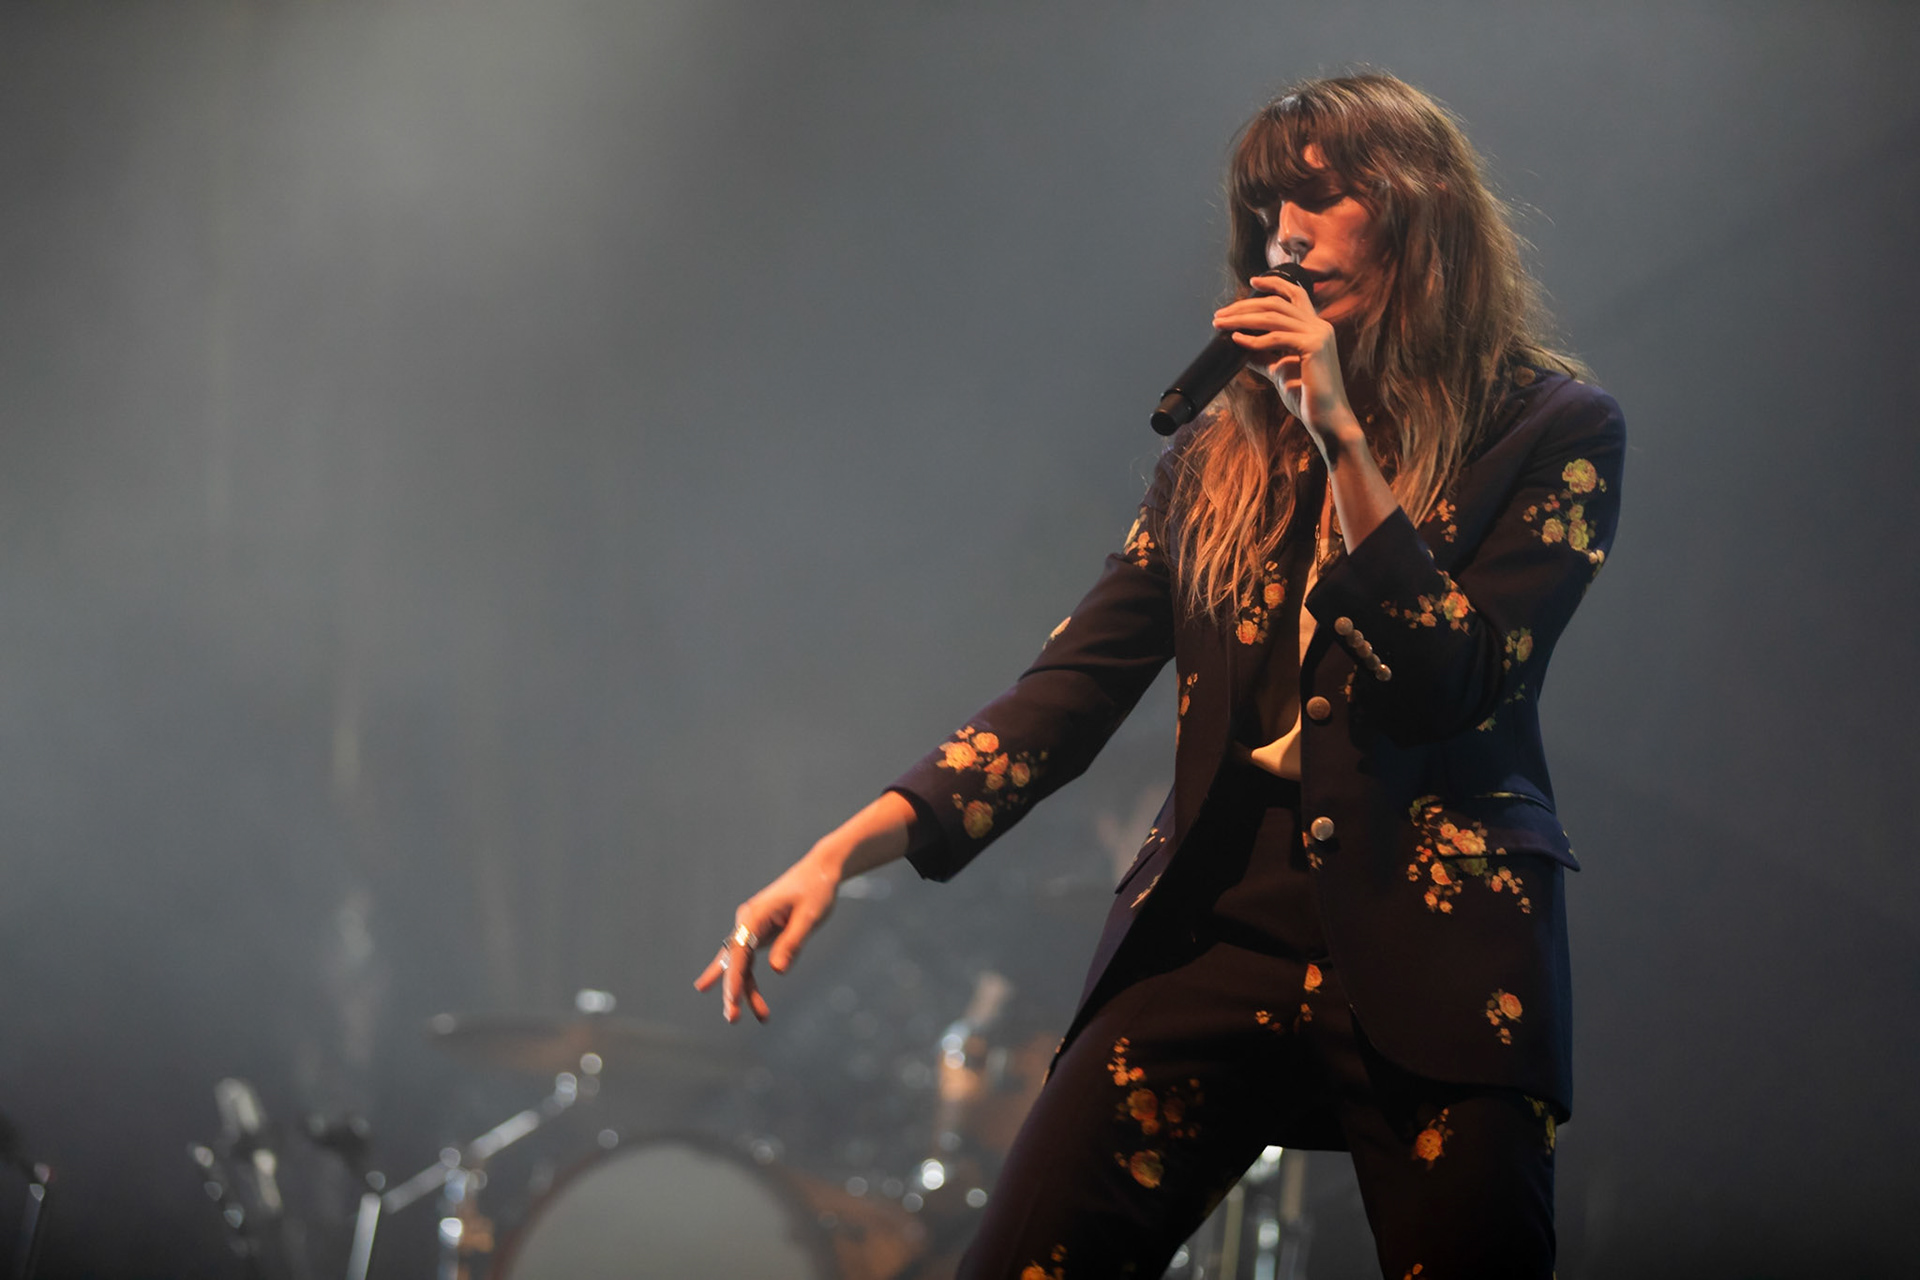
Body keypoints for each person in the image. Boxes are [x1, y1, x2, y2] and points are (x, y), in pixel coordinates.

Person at [696, 71, 1623, 1279]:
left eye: (1321, 200)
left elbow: (1452, 678)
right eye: (1265, 214)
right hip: (1222, 915)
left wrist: (1342, 434)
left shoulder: (1551, 429)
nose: (1283, 237)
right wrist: (840, 848)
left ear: (1416, 211)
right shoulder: (1222, 455)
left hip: (1437, 937)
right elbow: (1067, 692)